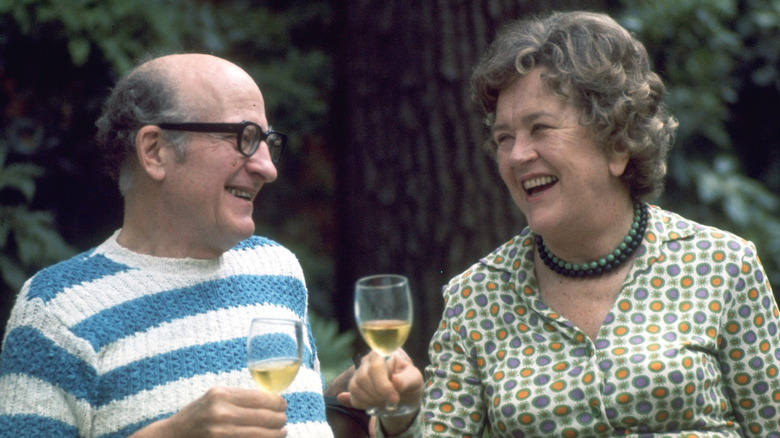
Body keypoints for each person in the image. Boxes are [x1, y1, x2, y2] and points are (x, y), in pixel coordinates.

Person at [344, 11, 780, 437]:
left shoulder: (723, 267)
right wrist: (401, 413)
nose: (517, 155)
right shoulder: (475, 299)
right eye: (504, 138)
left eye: (540, 128)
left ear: (617, 143)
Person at [0, 53, 335, 437]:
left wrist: (357, 411)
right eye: (244, 138)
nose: (267, 168)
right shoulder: (55, 311)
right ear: (154, 151)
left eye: (267, 141)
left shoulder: (278, 271)